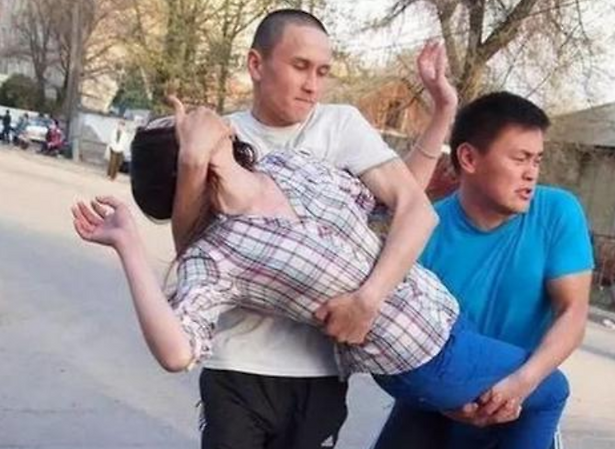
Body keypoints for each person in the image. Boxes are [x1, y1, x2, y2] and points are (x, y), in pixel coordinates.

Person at [72, 108, 570, 449]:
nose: (194, 112)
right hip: (422, 353)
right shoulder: (217, 253)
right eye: (180, 122)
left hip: (442, 316)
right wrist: (130, 247)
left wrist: (441, 115)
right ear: (184, 159)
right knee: (550, 389)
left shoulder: (288, 166)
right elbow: (176, 352)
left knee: (504, 404)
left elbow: (394, 202)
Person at [170, 9, 458, 449]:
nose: (312, 85)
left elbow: (411, 207)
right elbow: (189, 248)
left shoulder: (339, 125)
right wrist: (193, 160)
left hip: (319, 370)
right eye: (300, 66)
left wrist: (368, 300)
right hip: (238, 366)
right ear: (256, 64)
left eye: (322, 72)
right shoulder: (221, 138)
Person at [372, 92, 594, 449]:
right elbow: (397, 336)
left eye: (537, 160)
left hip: (523, 396)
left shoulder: (558, 212)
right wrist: (447, 401)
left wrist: (522, 383)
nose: (531, 173)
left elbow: (573, 312)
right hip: (437, 397)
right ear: (469, 158)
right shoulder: (423, 228)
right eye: (520, 158)